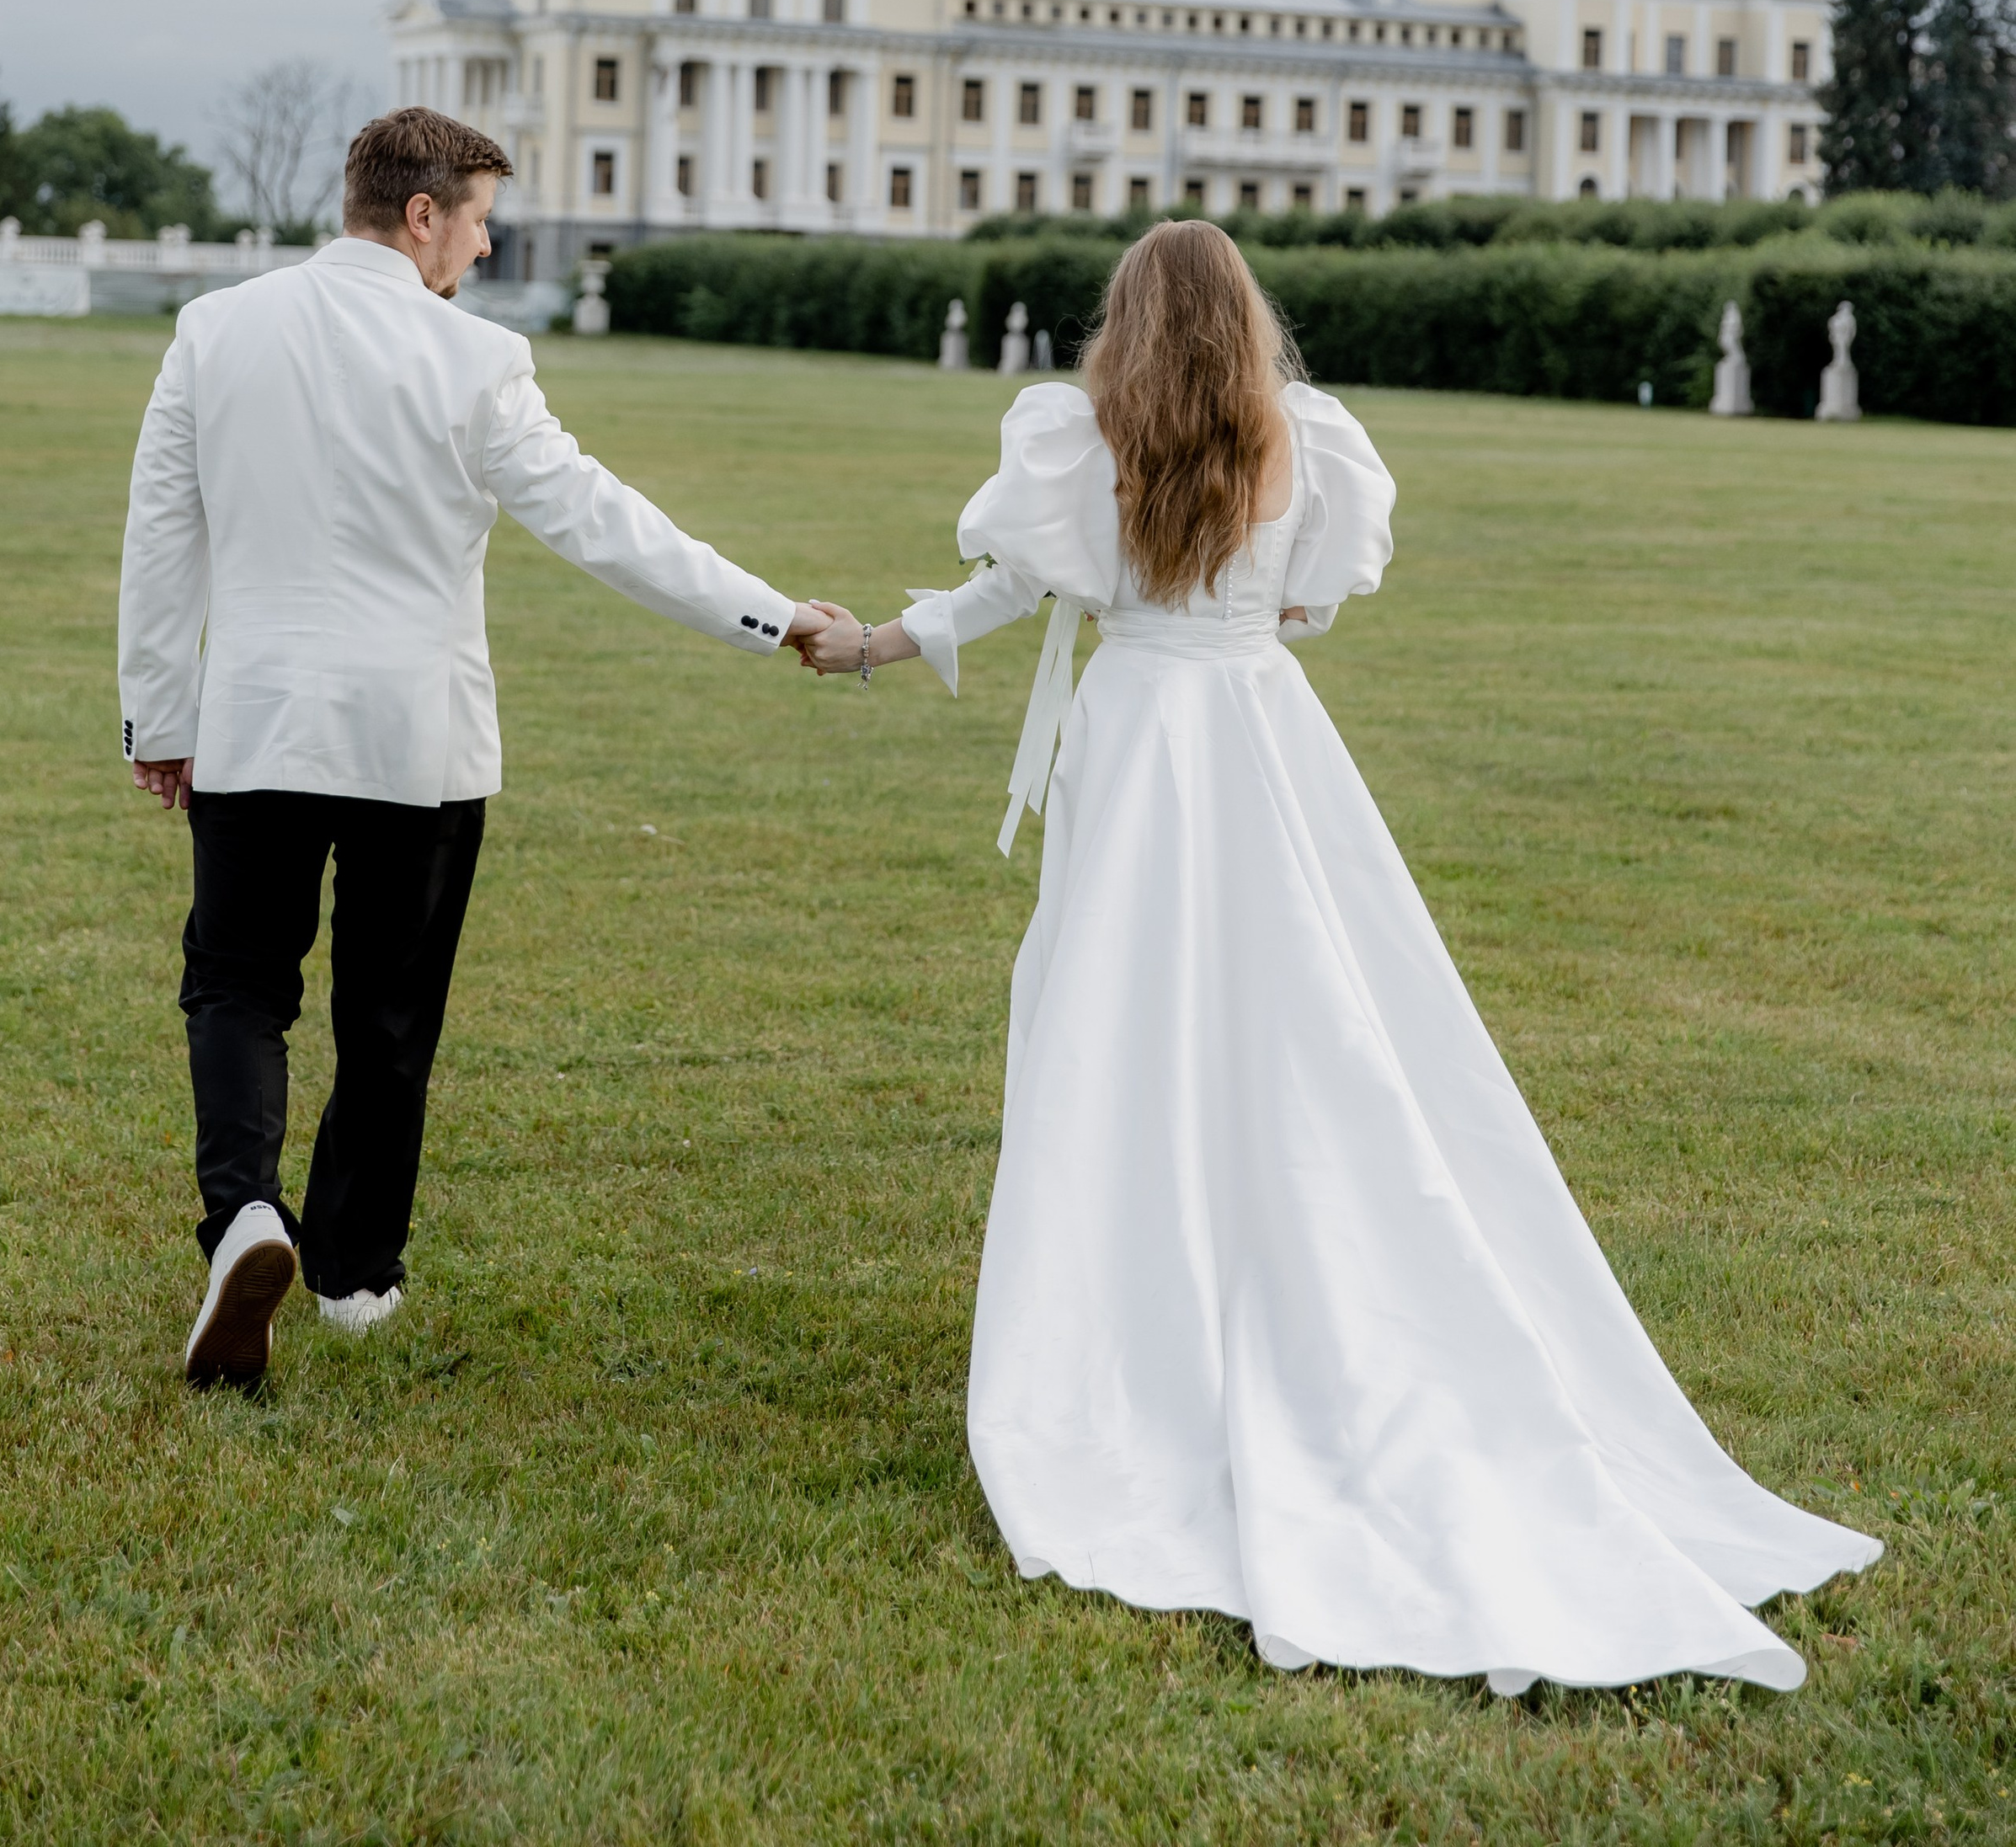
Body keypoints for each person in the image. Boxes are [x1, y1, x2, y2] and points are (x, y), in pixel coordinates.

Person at [805, 218, 1878, 1695]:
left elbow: (1016, 588)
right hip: (1258, 732)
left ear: (1127, 322)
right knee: (1301, 1017)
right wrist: (1234, 606)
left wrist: (874, 644)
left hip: (1147, 750)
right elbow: (1314, 601)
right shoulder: (1299, 437)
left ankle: (1134, 1320)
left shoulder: (1081, 440)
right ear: (1245, 321)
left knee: (1125, 1033)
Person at [120, 105, 826, 1389]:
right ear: (424, 216)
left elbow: (163, 535)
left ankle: (243, 1222)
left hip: (256, 724)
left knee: (236, 988)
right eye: (484, 221)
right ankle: (352, 1276)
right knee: (389, 1015)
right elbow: (604, 523)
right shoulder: (477, 362)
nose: (487, 251)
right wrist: (772, 617)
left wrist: (159, 720)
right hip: (419, 742)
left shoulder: (214, 332)